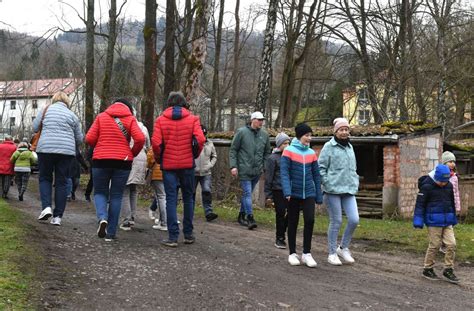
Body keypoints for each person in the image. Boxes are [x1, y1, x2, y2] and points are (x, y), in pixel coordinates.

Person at [85, 99, 145, 241]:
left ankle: (102, 218)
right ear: (128, 108)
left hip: (100, 160)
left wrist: (99, 144)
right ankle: (111, 234)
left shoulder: (101, 117)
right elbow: (140, 139)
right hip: (123, 162)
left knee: (100, 192)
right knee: (116, 195)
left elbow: (89, 138)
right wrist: (132, 153)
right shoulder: (131, 119)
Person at [152, 91, 205, 247]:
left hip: (168, 166)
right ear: (183, 103)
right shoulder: (193, 119)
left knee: (171, 199)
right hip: (187, 164)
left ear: (168, 103)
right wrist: (194, 154)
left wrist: (158, 158)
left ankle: (173, 236)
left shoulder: (160, 120)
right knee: (188, 198)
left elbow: (155, 143)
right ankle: (188, 234)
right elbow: (201, 139)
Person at [33, 91, 83, 225]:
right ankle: (57, 217)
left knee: (45, 178)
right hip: (66, 152)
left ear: (54, 100)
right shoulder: (72, 115)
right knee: (62, 182)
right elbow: (79, 138)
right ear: (67, 102)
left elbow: (35, 127)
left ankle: (46, 207)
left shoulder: (45, 110)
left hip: (46, 149)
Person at [318, 117, 359, 266]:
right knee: (337, 221)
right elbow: (321, 167)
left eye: (346, 129)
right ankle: (332, 253)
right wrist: (327, 183)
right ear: (335, 132)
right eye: (341, 130)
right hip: (332, 190)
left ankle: (343, 247)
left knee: (354, 220)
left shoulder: (350, 147)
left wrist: (355, 179)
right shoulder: (328, 146)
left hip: (348, 189)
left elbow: (353, 167)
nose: (344, 132)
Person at [280, 124, 322, 267]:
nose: (309, 138)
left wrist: (319, 194)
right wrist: (287, 191)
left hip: (309, 192)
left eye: (311, 135)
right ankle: (292, 253)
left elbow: (316, 175)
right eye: (307, 135)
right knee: (293, 222)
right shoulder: (288, 151)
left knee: (310, 220)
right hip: (293, 193)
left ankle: (306, 253)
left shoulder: (311, 153)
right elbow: (284, 173)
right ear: (299, 136)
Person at [413, 164, 459, 284]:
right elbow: (420, 205)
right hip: (433, 221)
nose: (443, 184)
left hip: (447, 221)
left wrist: (453, 218)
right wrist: (418, 220)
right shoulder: (426, 186)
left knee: (452, 244)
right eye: (441, 181)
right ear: (436, 178)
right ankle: (428, 268)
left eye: (445, 181)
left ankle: (448, 269)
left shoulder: (448, 185)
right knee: (435, 244)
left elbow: (451, 204)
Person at [229, 111, 271, 229]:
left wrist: (264, 165)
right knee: (247, 193)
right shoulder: (242, 132)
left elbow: (267, 152)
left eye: (262, 120)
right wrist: (233, 166)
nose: (261, 122)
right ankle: (250, 217)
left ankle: (241, 215)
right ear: (252, 120)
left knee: (247, 193)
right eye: (259, 120)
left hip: (257, 170)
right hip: (244, 169)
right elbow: (233, 150)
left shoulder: (264, 135)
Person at [120, 118, 150, 231]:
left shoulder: (123, 124)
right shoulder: (143, 128)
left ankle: (126, 220)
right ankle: (132, 217)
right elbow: (148, 145)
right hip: (142, 157)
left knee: (125, 190)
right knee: (133, 189)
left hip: (129, 156)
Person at [264, 132, 290, 249]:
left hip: (289, 190)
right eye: (284, 143)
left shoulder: (290, 157)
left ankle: (283, 231)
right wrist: (268, 195)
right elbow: (269, 177)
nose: (287, 145)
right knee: (280, 213)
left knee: (290, 214)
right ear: (279, 144)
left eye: (288, 143)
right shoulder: (272, 158)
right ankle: (279, 238)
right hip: (277, 189)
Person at [194, 125, 218, 222]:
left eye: (204, 134)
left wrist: (210, 165)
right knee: (191, 192)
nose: (202, 136)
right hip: (193, 172)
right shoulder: (192, 143)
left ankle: (208, 212)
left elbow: (214, 156)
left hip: (206, 172)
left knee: (207, 191)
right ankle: (189, 212)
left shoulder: (210, 144)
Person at [147, 148, 167, 231]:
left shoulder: (156, 143)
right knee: (166, 197)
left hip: (157, 172)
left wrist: (149, 166)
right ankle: (166, 220)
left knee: (161, 197)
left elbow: (150, 158)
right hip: (169, 172)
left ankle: (164, 222)